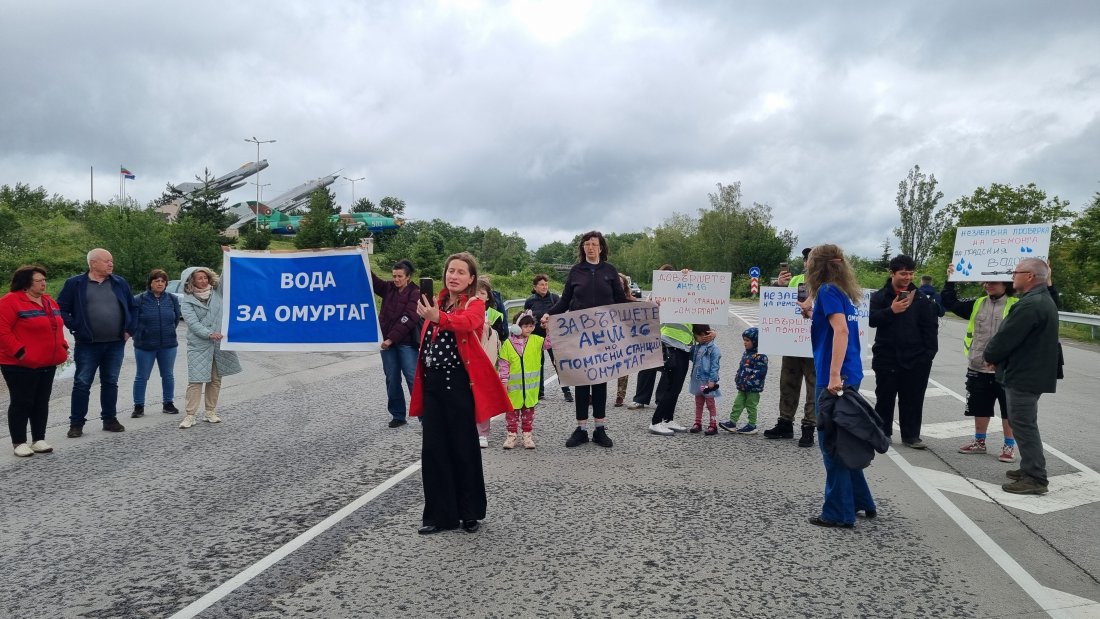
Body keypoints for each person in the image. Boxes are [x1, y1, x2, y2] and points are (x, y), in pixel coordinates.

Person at [409, 252, 512, 534]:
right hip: (433, 383)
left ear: (471, 279)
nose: (453, 276)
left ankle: (470, 513)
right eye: (450, 271)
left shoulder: (475, 304)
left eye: (460, 272)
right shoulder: (438, 302)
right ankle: (440, 516)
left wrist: (438, 317)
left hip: (458, 383)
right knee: (434, 450)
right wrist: (435, 313)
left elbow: (468, 324)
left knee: (463, 448)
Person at [804, 244, 882, 528]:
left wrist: (834, 375)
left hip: (833, 377)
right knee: (845, 439)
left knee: (832, 444)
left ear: (817, 266)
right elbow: (835, 325)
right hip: (851, 372)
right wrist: (810, 314)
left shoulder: (826, 291)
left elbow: (841, 330)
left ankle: (838, 512)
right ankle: (862, 501)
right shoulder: (842, 293)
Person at [545, 231, 629, 448]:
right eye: (587, 244)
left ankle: (600, 428)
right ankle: (581, 429)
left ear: (601, 248)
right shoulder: (576, 272)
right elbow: (565, 301)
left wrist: (646, 306)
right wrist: (549, 314)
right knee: (581, 381)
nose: (590, 247)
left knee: (600, 381)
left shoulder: (609, 271)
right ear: (582, 248)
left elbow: (620, 300)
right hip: (579, 336)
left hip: (603, 336)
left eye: (595, 244)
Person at [983, 258, 1060, 495]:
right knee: (1024, 423)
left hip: (1024, 374)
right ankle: (1029, 468)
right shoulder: (1041, 298)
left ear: (1029, 277)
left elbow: (1006, 337)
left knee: (1023, 425)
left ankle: (1035, 477)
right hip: (1031, 372)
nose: (1012, 276)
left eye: (1016, 272)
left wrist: (990, 355)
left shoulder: (1030, 304)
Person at [57, 248, 137, 438]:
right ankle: (76, 423)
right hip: (88, 344)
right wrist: (75, 327)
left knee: (110, 382)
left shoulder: (119, 282)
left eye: (111, 260)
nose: (111, 264)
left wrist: (129, 330)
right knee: (82, 383)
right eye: (106, 261)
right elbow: (61, 308)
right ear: (93, 263)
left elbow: (133, 308)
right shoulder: (75, 284)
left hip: (115, 343)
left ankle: (109, 419)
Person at [941, 267, 1018, 462]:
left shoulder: (1017, 306)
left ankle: (1009, 446)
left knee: (1009, 409)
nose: (987, 285)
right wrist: (951, 279)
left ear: (1006, 284)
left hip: (1006, 369)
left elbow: (1049, 304)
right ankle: (979, 442)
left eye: (993, 282)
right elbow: (950, 303)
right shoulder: (977, 304)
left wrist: (1048, 281)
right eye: (986, 282)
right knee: (979, 407)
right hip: (978, 365)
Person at [868, 255, 939, 449]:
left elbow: (931, 328)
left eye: (910, 273)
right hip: (887, 356)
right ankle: (883, 432)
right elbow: (871, 320)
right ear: (892, 273)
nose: (907, 277)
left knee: (913, 398)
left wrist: (928, 356)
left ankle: (911, 436)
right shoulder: (880, 296)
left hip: (917, 358)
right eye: (903, 273)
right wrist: (891, 310)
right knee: (885, 396)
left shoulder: (922, 298)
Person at [0, 265, 69, 457]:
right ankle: (19, 442)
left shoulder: (49, 301)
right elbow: (2, 332)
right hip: (19, 364)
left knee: (41, 401)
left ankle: (39, 438)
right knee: (22, 401)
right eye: (39, 280)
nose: (44, 284)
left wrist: (62, 345)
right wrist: (20, 353)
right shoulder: (10, 302)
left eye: (44, 280)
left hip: (47, 361)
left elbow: (57, 325)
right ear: (26, 283)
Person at [764, 248, 818, 448]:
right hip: (792, 340)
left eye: (814, 259)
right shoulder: (794, 280)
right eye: (807, 259)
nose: (810, 263)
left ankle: (809, 428)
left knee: (814, 387)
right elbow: (776, 304)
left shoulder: (829, 283)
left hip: (815, 343)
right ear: (804, 262)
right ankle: (785, 423)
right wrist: (779, 286)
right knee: (788, 383)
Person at [178, 266, 242, 429]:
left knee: (215, 379)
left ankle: (210, 412)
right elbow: (192, 323)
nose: (203, 280)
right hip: (199, 345)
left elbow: (227, 276)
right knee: (196, 380)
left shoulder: (217, 292)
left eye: (205, 277)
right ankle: (190, 415)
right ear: (191, 280)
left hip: (218, 343)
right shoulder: (187, 301)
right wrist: (209, 333)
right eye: (199, 278)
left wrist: (227, 256)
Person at [371, 259, 421, 428]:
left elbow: (409, 318)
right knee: (392, 379)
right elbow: (374, 282)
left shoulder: (416, 293)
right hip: (387, 344)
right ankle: (398, 415)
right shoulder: (388, 288)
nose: (396, 279)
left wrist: (391, 339)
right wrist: (362, 261)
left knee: (412, 378)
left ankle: (424, 416)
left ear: (408, 277)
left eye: (400, 276)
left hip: (405, 343)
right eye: (394, 276)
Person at [131, 269, 182, 418]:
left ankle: (168, 403)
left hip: (168, 345)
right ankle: (139, 406)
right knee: (142, 376)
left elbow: (176, 320)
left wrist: (168, 332)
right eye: (156, 281)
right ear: (150, 283)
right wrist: (140, 334)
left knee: (168, 375)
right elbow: (132, 321)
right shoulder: (139, 299)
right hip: (144, 346)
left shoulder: (172, 299)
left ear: (166, 284)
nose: (160, 283)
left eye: (162, 281)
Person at [626, 264, 675, 411]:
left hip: (672, 336)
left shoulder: (682, 293)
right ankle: (640, 399)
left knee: (669, 369)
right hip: (653, 335)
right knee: (647, 366)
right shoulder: (653, 293)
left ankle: (662, 399)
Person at [497, 311, 547, 449]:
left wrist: (548, 328)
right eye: (526, 326)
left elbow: (550, 342)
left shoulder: (536, 340)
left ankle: (527, 437)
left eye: (531, 326)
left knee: (528, 414)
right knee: (511, 415)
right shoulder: (508, 344)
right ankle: (511, 436)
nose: (529, 329)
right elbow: (503, 365)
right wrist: (504, 382)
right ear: (517, 327)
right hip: (513, 388)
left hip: (530, 390)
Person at [524, 273, 572, 402]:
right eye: (541, 285)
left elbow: (561, 316)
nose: (544, 287)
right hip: (535, 336)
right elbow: (527, 319)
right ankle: (539, 392)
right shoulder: (530, 301)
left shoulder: (554, 298)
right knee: (537, 364)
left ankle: (566, 391)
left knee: (557, 363)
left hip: (552, 336)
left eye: (546, 284)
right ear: (535, 287)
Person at [719, 327, 768, 435]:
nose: (745, 343)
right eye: (744, 340)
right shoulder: (746, 353)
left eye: (747, 340)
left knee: (751, 405)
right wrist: (738, 377)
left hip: (753, 388)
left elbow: (760, 372)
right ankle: (732, 422)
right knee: (737, 403)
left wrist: (749, 381)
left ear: (755, 341)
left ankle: (752, 425)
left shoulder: (761, 356)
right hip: (742, 386)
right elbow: (741, 367)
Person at [475, 277, 504, 447]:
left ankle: (482, 433)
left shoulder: (495, 315)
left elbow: (502, 335)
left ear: (488, 297)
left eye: (482, 293)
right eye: (475, 292)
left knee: (483, 399)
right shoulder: (463, 311)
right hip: (467, 361)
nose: (479, 296)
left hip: (487, 361)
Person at [687, 324, 721, 435]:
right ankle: (697, 423)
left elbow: (715, 366)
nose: (695, 339)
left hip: (707, 381)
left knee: (710, 403)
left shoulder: (714, 349)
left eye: (696, 337)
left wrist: (712, 380)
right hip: (697, 381)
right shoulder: (697, 347)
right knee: (699, 402)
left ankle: (713, 424)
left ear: (702, 335)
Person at [613, 272, 639, 407]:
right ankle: (595, 394)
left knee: (623, 367)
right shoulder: (604, 300)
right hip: (606, 338)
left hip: (624, 338)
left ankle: (620, 395)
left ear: (625, 286)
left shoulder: (631, 301)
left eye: (621, 283)